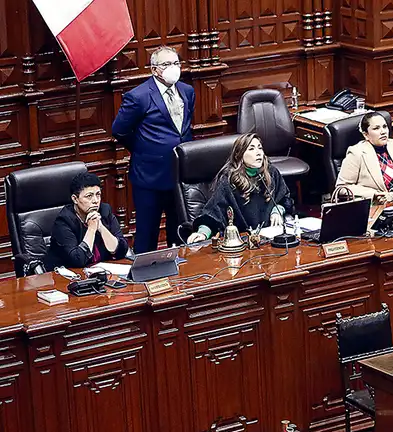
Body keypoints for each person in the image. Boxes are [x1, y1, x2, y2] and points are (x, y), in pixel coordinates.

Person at [112, 46, 195, 253]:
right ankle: (144, 271)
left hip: (181, 175)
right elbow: (119, 130)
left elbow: (184, 127)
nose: (173, 68)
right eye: (167, 64)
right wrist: (143, 148)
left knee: (181, 231)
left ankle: (181, 269)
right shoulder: (138, 96)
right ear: (154, 69)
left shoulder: (187, 91)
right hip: (150, 176)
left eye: (176, 63)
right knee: (147, 235)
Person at [186, 133, 293, 243]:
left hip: (269, 240)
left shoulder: (271, 172)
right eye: (251, 149)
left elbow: (284, 198)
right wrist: (203, 233)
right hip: (241, 242)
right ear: (239, 155)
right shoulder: (228, 180)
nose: (258, 153)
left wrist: (278, 210)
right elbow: (214, 213)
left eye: (260, 148)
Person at [44, 172, 129, 270]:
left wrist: (101, 227)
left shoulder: (105, 211)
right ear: (75, 199)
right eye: (89, 196)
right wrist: (91, 228)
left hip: (101, 272)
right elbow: (78, 260)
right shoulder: (64, 221)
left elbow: (121, 251)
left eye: (98, 195)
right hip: (68, 275)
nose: (95, 201)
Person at [333, 112, 393, 205]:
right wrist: (373, 194)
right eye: (376, 128)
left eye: (385, 127)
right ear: (366, 135)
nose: (383, 131)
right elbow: (342, 187)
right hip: (375, 207)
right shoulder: (357, 153)